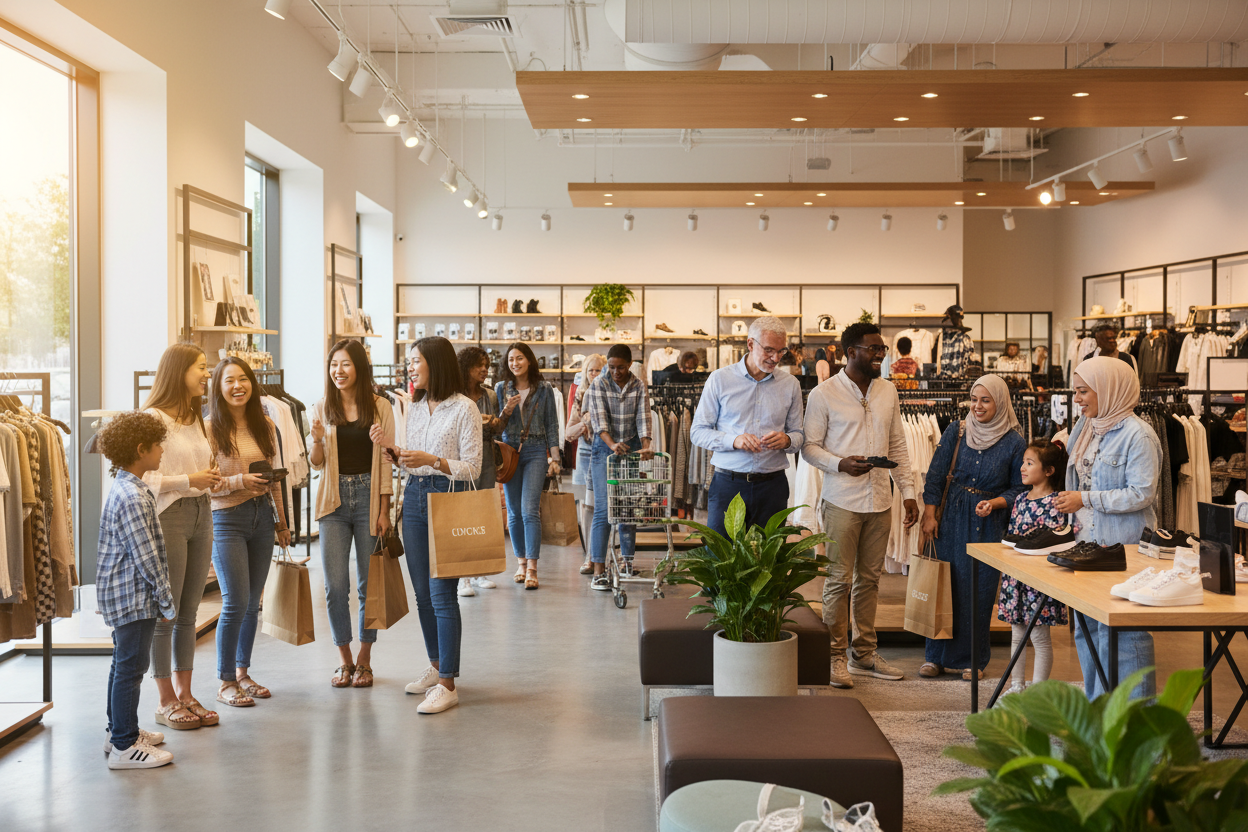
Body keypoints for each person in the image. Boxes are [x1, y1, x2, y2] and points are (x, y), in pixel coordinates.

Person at [802, 322, 917, 689]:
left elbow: (897, 443)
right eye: (873, 348)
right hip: (842, 501)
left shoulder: (888, 392)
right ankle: (835, 656)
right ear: (851, 352)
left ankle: (863, 654)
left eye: (882, 348)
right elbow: (809, 447)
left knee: (870, 580)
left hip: (881, 500)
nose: (880, 354)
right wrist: (840, 463)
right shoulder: (823, 394)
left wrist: (910, 491)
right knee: (838, 580)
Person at [376, 337, 481, 714]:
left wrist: (434, 461)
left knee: (442, 594)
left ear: (434, 363)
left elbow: (473, 467)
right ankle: (436, 667)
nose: (410, 367)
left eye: (415, 361)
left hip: (447, 498)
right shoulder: (416, 406)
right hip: (415, 496)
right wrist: (392, 450)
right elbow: (410, 460)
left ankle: (449, 683)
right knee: (422, 593)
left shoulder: (465, 408)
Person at [1055, 356, 1161, 700]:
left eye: (1084, 391)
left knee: (1126, 633)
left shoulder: (1138, 435)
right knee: (1087, 629)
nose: (1078, 399)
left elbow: (1141, 494)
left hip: (1123, 548)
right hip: (1087, 545)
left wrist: (1086, 499)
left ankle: (1136, 722)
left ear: (1109, 389)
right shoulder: (1085, 429)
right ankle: (1098, 710)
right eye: (1076, 391)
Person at [919, 374, 1027, 681]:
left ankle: (973, 660)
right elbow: (936, 474)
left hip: (988, 521)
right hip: (951, 516)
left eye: (986, 400)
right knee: (943, 585)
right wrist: (930, 515)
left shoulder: (1014, 442)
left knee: (978, 591)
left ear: (1001, 402)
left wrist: (996, 503)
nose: (977, 406)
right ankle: (934, 656)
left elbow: (1021, 488)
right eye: (974, 399)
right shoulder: (958, 429)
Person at [142, 343, 222, 731]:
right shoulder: (151, 418)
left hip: (201, 511)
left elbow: (198, 465)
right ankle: (164, 700)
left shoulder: (195, 417)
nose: (207, 374)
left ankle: (186, 692)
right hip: (169, 516)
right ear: (179, 371)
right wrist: (189, 480)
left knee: (189, 610)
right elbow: (141, 478)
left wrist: (207, 477)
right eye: (201, 367)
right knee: (167, 611)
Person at [308, 339, 394, 689]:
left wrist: (385, 509)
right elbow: (316, 463)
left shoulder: (380, 407)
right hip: (333, 501)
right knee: (334, 586)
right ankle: (343, 660)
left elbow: (387, 460)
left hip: (369, 497)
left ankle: (365, 658)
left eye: (344, 364)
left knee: (367, 586)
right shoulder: (321, 407)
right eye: (333, 365)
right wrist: (315, 440)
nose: (338, 371)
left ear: (358, 367)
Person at [205, 358, 291, 707]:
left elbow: (274, 479)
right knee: (235, 602)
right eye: (230, 381)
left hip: (261, 519)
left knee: (253, 604)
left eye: (244, 379)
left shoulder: (266, 425)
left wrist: (282, 523)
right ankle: (225, 681)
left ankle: (242, 673)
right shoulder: (209, 428)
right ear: (218, 387)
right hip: (226, 519)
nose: (238, 386)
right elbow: (207, 486)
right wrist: (242, 481)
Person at [96, 411, 177, 769]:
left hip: (124, 595)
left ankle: (118, 732)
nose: (162, 450)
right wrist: (165, 598)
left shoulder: (127, 487)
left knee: (123, 665)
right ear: (141, 448)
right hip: (133, 597)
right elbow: (146, 555)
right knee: (131, 668)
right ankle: (125, 747)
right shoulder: (133, 496)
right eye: (158, 444)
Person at [691, 316, 804, 538]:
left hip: (773, 486)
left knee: (768, 564)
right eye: (769, 350)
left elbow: (799, 434)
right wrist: (733, 440)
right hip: (728, 486)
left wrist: (788, 440)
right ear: (750, 344)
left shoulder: (791, 385)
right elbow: (697, 432)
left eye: (781, 351)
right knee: (720, 561)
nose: (775, 358)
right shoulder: (719, 380)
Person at [997, 439, 1070, 695]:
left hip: (1040, 580)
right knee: (1017, 635)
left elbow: (1059, 540)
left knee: (1039, 637)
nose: (1022, 467)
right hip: (1016, 578)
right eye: (1023, 462)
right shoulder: (1019, 500)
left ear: (1049, 470)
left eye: (1030, 463)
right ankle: (1016, 687)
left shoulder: (1058, 501)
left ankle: (1038, 693)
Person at [495, 342, 563, 591]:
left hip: (535, 451)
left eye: (520, 358)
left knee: (529, 509)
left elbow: (552, 424)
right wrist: (505, 411)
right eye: (511, 359)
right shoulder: (501, 388)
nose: (515, 363)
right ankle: (521, 563)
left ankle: (533, 567)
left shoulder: (544, 389)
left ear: (530, 360)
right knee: (512, 511)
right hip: (508, 451)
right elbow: (495, 428)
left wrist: (555, 458)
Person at [586, 344, 653, 590]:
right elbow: (599, 421)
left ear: (630, 364)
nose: (616, 372)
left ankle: (627, 563)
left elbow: (643, 418)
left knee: (627, 509)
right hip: (604, 449)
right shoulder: (598, 385)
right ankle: (598, 571)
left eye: (621, 367)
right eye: (611, 367)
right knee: (604, 510)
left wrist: (645, 446)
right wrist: (612, 444)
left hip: (631, 448)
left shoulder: (639, 386)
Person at [454, 346, 503, 598]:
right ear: (466, 368)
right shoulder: (454, 395)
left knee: (484, 511)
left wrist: (496, 422)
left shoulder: (490, 395)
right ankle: (463, 577)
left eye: (486, 365)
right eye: (478, 365)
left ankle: (480, 570)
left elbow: (497, 432)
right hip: (462, 457)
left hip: (485, 455)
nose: (484, 369)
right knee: (464, 513)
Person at [566, 354, 606, 575]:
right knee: (586, 505)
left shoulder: (609, 393)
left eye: (599, 370)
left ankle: (601, 555)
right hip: (585, 452)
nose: (594, 375)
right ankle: (590, 556)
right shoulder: (580, 395)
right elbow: (569, 433)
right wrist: (585, 421)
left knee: (605, 504)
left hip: (606, 452)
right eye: (591, 371)